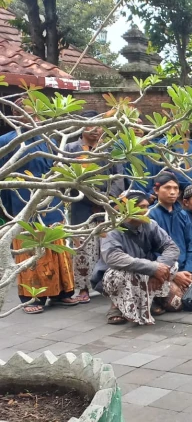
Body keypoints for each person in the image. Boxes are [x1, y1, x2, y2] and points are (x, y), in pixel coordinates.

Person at [2, 124, 79, 314]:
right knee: (29, 251)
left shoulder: (49, 139)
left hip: (51, 202)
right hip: (22, 202)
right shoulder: (7, 141)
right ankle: (30, 297)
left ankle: (61, 292)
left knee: (57, 248)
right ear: (16, 115)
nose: (33, 119)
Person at [92, 190, 179, 325]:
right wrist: (152, 267)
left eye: (146, 206)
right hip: (116, 274)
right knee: (120, 273)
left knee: (172, 265)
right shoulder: (111, 228)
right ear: (127, 209)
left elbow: (172, 247)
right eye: (141, 207)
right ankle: (116, 305)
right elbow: (114, 258)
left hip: (145, 271)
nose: (145, 211)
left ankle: (149, 300)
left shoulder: (150, 224)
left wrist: (158, 269)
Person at [64, 110, 109, 304]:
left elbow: (118, 178)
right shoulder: (70, 148)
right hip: (80, 207)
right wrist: (87, 198)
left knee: (106, 248)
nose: (96, 130)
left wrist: (104, 200)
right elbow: (65, 179)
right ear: (82, 127)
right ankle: (83, 287)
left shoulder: (108, 148)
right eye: (91, 125)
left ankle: (105, 284)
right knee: (82, 249)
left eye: (99, 126)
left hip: (106, 207)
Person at [148, 172, 192, 311]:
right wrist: (173, 274)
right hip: (163, 270)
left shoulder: (182, 214)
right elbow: (149, 251)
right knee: (177, 303)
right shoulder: (150, 215)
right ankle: (152, 299)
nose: (172, 192)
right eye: (167, 188)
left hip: (185, 268)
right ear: (156, 190)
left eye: (176, 188)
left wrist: (189, 269)